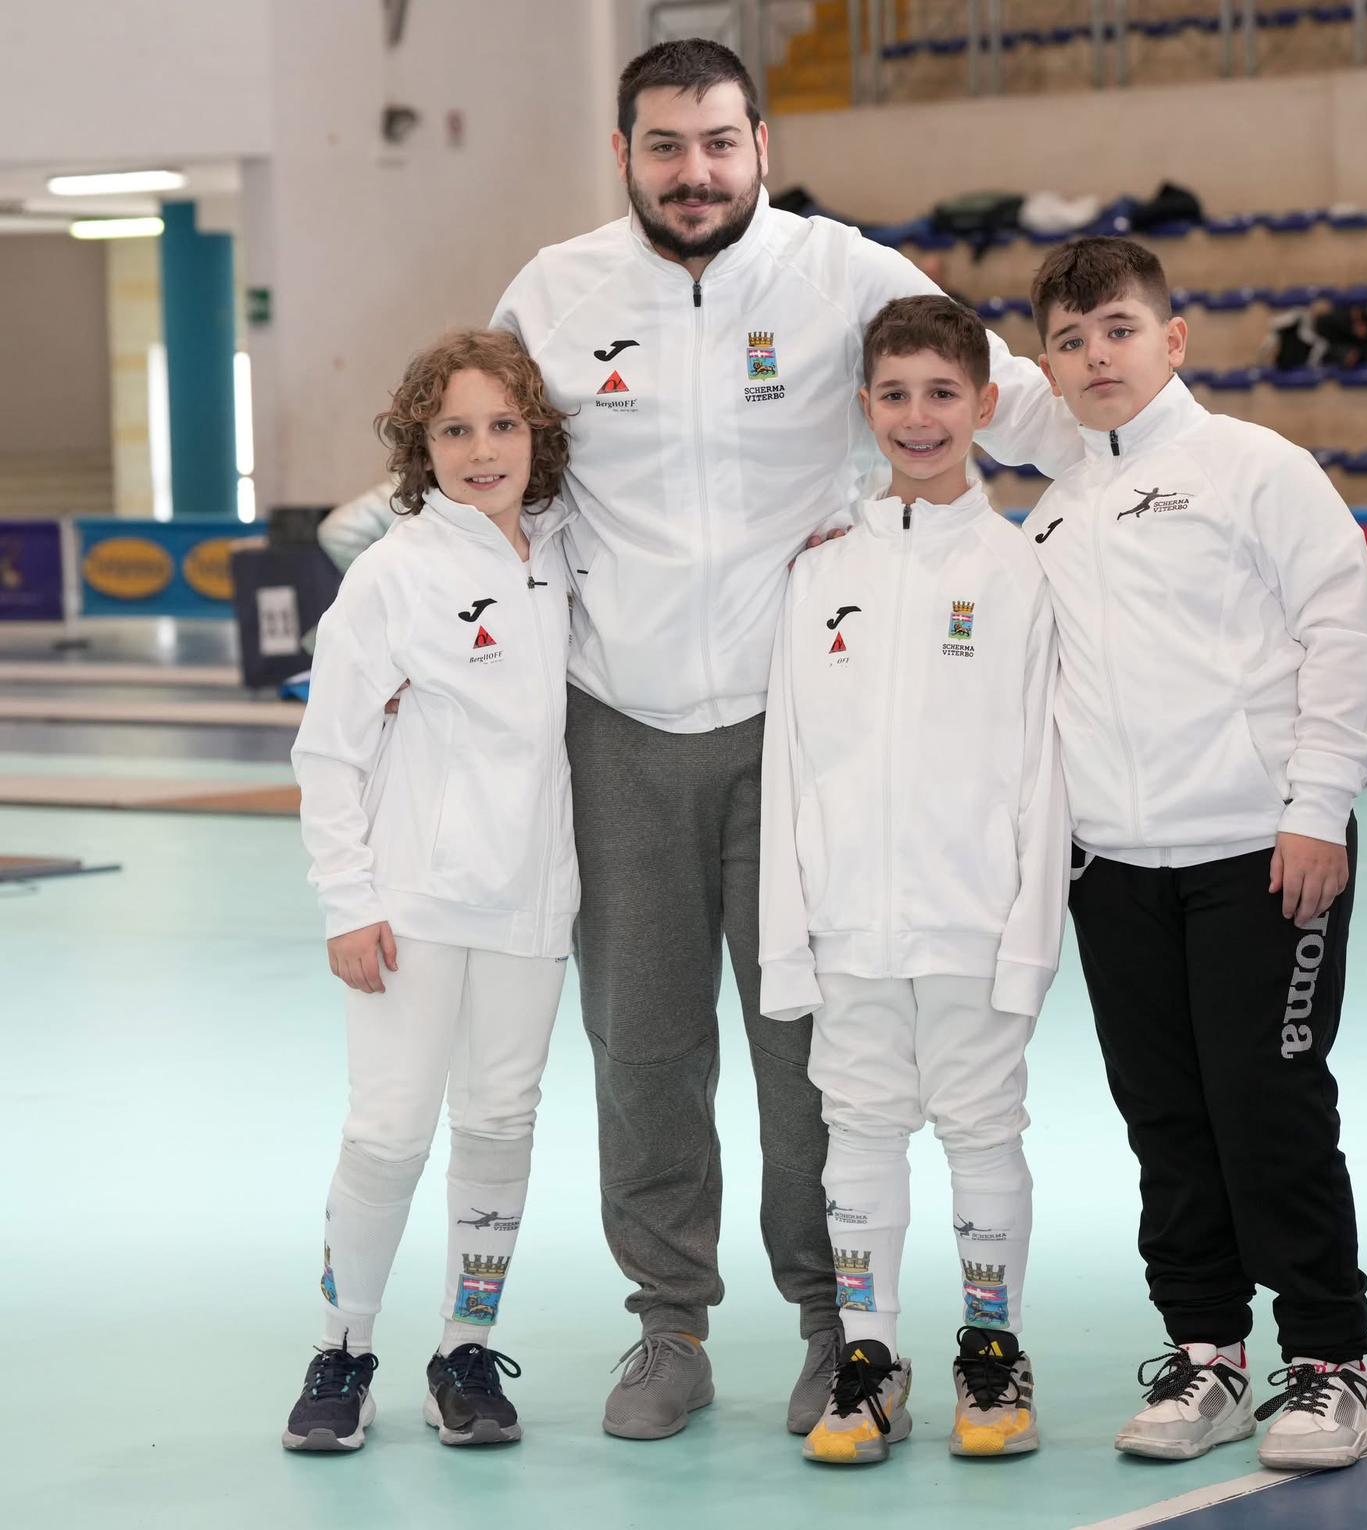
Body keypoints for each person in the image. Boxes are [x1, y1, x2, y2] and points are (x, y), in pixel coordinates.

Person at [488, 38, 1083, 1441]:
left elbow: (1009, 393)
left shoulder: (850, 277)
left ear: (759, 142)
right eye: (663, 146)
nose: (692, 173)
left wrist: (1157, 466)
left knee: (801, 1039)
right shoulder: (555, 293)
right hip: (617, 718)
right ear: (623, 153)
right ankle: (671, 1326)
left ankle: (839, 1324)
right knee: (641, 1043)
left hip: (789, 720)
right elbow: (491, 469)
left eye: (715, 143)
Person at [1024, 237, 1367, 1471]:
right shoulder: (1055, 507)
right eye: (1070, 341)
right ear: (1049, 367)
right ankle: (1205, 1355)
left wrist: (1317, 808)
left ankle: (1329, 1363)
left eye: (1117, 330)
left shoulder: (1252, 469)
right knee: (1165, 1117)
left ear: (1171, 340)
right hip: (1114, 867)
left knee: (1266, 1105)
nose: (1095, 357)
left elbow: (1341, 627)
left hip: (1261, 853)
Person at [760, 296, 1067, 1464]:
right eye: (893, 394)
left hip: (975, 923)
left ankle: (992, 1355)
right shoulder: (819, 575)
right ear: (864, 410)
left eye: (943, 393)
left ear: (987, 406)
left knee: (984, 1130)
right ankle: (867, 1359)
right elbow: (792, 761)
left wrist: (1028, 936)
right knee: (861, 1130)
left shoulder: (1020, 568)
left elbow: (1044, 772)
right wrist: (790, 940)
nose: (918, 416)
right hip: (848, 929)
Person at [283, 330, 578, 1453]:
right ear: (422, 445)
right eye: (454, 429)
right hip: (409, 908)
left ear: (536, 436)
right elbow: (330, 750)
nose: (481, 447)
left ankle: (465, 1349)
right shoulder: (394, 572)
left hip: (532, 906)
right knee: (390, 1132)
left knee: (501, 1123)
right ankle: (341, 1349)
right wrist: (345, 902)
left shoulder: (564, 551)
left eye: (503, 424)